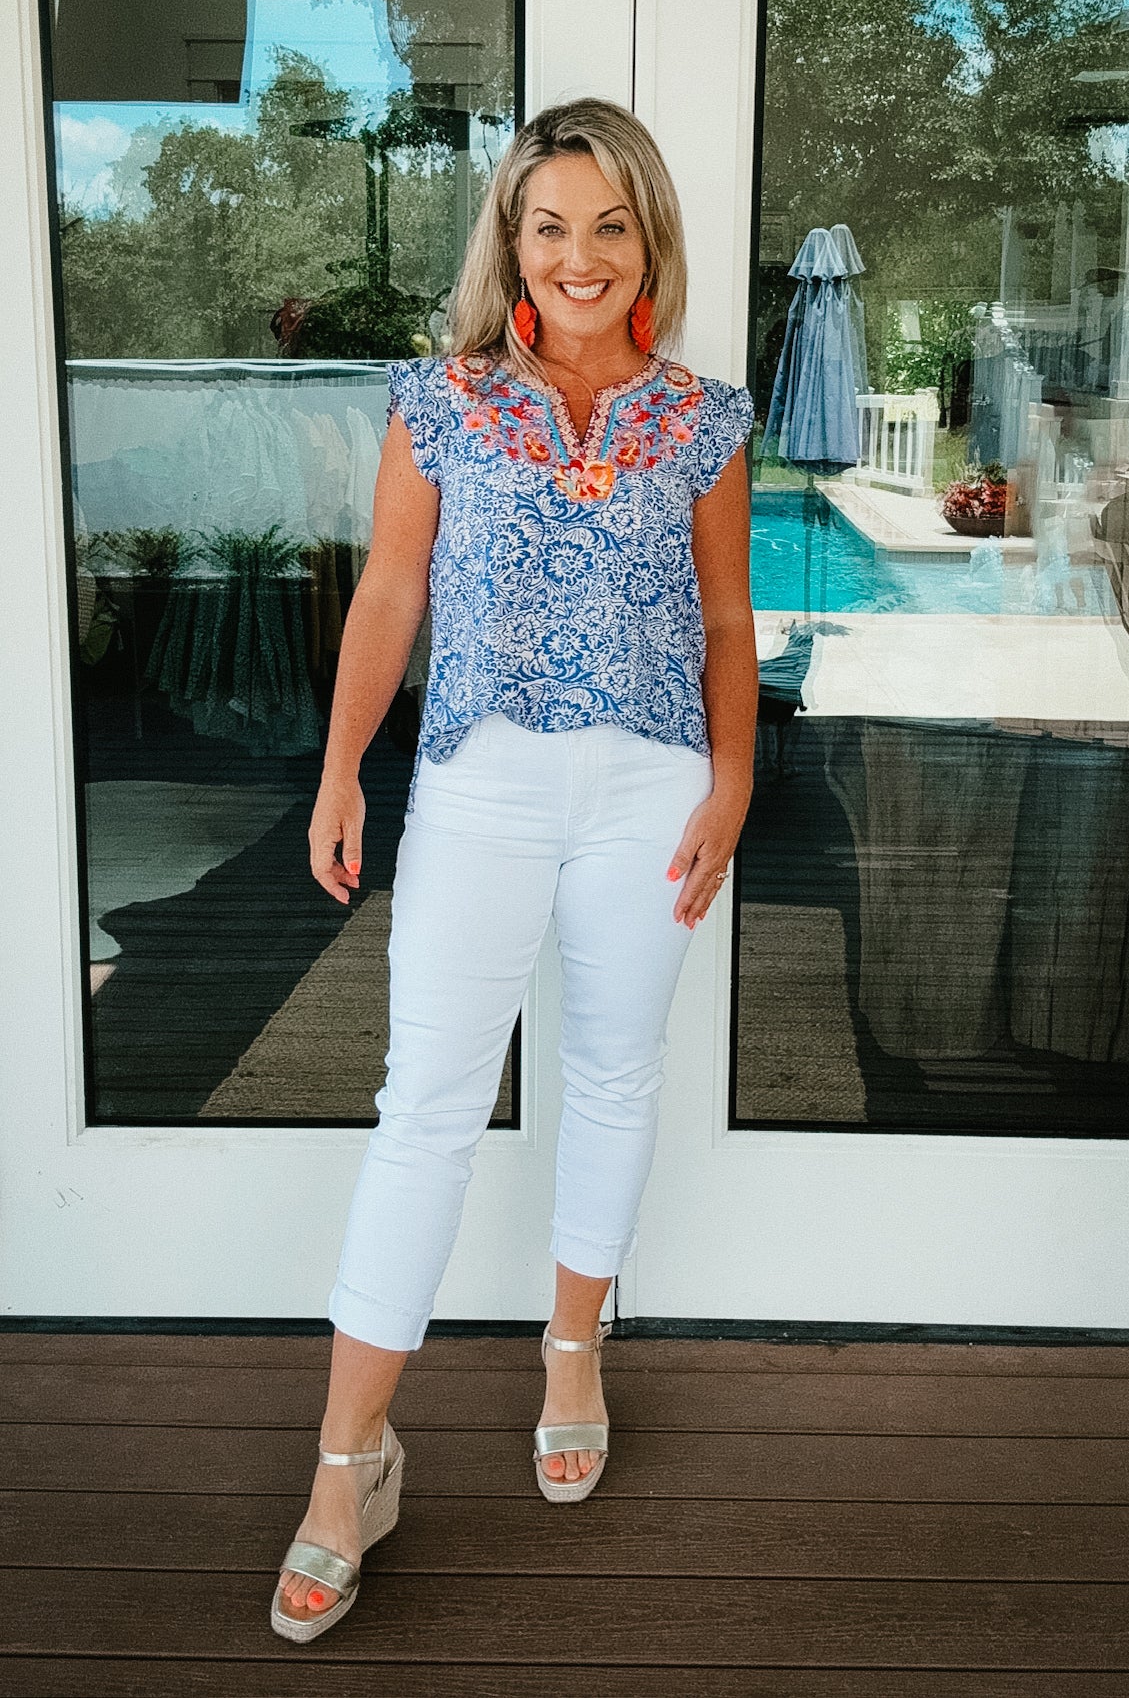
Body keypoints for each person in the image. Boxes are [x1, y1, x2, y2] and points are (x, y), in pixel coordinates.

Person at [271, 96, 757, 1642]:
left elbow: (728, 620)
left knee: (613, 1073)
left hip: (652, 788)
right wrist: (341, 769)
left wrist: (736, 777)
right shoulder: (443, 401)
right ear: (513, 240)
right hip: (480, 780)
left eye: (610, 224)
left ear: (648, 240)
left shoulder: (704, 420)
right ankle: (348, 1463)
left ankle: (572, 1347)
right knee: (426, 1105)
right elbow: (389, 591)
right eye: (551, 225)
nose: (580, 255)